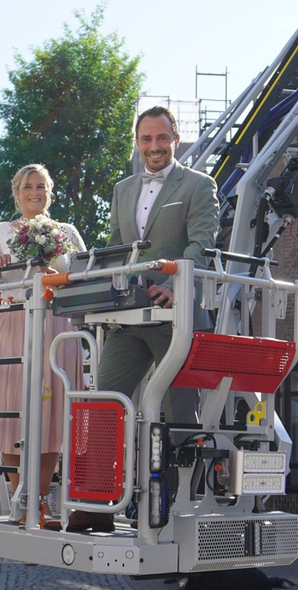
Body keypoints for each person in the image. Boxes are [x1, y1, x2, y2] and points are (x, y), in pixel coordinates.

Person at [55, 106, 219, 533]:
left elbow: (202, 245)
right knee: (103, 405)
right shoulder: (123, 189)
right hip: (128, 317)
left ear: (175, 139)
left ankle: (184, 508)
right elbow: (115, 247)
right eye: (146, 140)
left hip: (175, 317)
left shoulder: (200, 185)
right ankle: (97, 506)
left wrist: (177, 281)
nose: (154, 147)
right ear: (138, 142)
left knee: (181, 414)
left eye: (161, 139)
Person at [0, 163, 86, 521]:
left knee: (52, 419)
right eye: (28, 186)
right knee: (12, 416)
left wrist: (60, 279)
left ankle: (38, 502)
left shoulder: (67, 232)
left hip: (57, 326)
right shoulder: (1, 231)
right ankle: (19, 501)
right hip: (13, 323)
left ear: (49, 190)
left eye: (41, 185)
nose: (34, 192)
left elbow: (86, 275)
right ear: (17, 191)